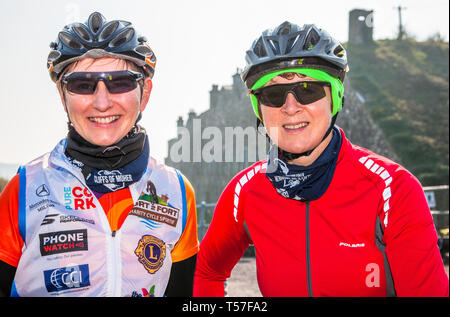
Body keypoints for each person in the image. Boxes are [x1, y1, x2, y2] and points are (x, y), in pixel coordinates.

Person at [193, 21, 449, 297]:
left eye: (308, 89)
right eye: (273, 94)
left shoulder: (392, 189)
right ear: (259, 109)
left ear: (334, 98)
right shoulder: (245, 191)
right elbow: (206, 271)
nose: (290, 107)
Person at [0, 12, 198, 297]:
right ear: (62, 95)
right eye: (82, 85)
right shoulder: (24, 188)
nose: (102, 102)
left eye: (120, 82)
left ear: (145, 93)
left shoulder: (177, 190)